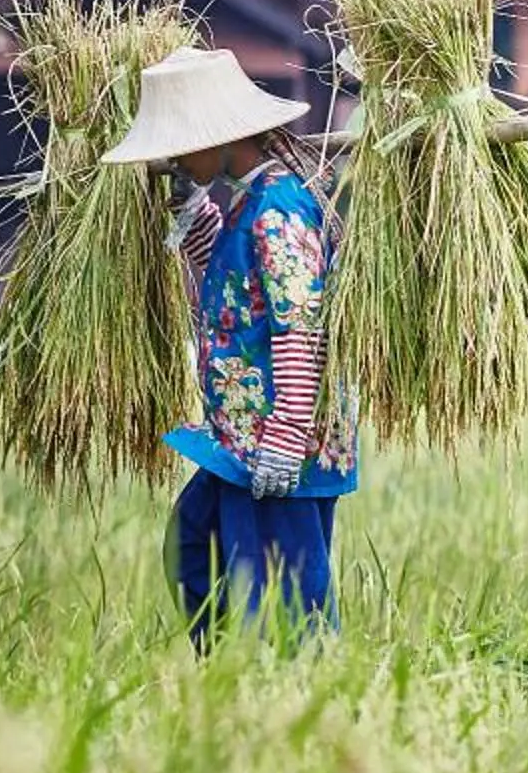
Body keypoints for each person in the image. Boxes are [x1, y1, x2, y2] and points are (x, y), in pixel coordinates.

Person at [101, 47, 358, 650]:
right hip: (237, 436)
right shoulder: (248, 202)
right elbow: (237, 283)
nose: (172, 160)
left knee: (287, 592)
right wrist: (193, 214)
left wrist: (287, 435)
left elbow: (301, 325)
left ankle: (303, 699)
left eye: (179, 145)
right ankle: (230, 680)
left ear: (220, 138)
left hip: (277, 441)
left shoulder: (280, 209)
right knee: (197, 546)